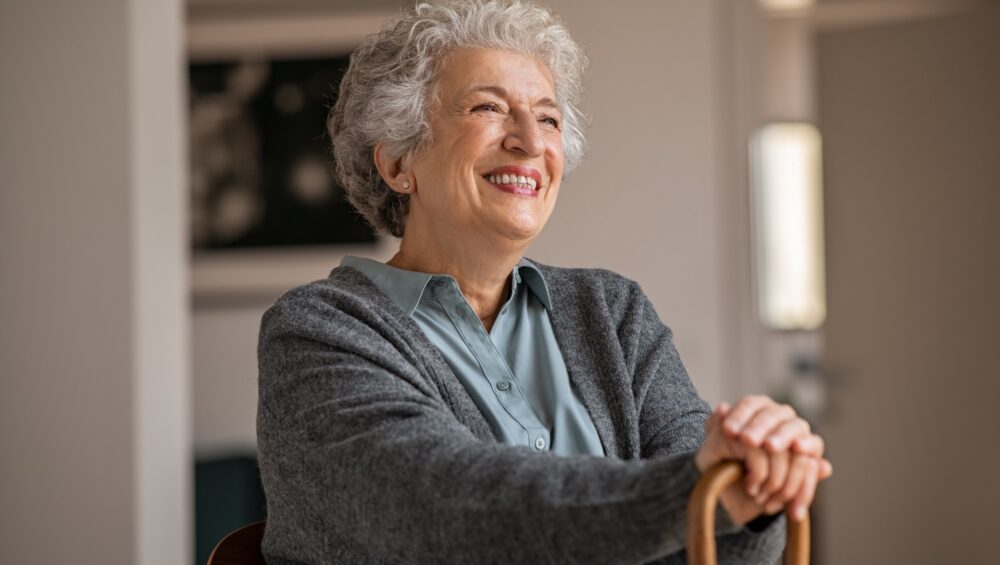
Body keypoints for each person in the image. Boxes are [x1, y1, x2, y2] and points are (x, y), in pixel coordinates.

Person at [256, 1, 832, 563]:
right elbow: (442, 511)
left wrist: (755, 478)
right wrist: (696, 489)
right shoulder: (317, 330)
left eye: (549, 118)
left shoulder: (612, 310)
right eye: (487, 108)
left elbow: (720, 544)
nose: (531, 142)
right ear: (397, 164)